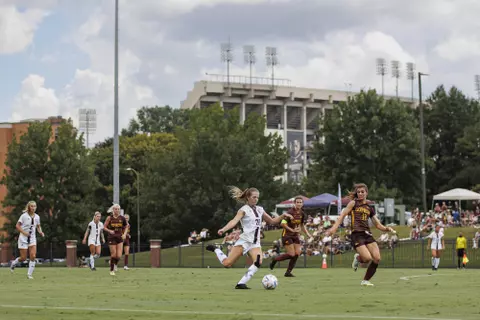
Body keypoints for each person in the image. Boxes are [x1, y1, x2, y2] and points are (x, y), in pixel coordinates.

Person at [206, 186, 293, 289]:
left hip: (255, 243)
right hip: (245, 241)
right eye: (254, 197)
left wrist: (283, 216)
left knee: (258, 262)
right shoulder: (243, 210)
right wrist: (223, 229)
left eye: (257, 197)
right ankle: (216, 249)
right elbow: (234, 221)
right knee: (227, 264)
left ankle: (241, 283)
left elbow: (272, 221)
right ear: (248, 197)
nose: (256, 199)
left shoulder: (260, 209)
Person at [326, 183, 395, 286]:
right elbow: (342, 215)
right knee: (367, 258)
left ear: (366, 193)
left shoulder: (369, 208)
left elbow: (377, 224)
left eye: (362, 192)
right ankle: (358, 258)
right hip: (356, 234)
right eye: (358, 192)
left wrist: (386, 228)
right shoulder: (353, 203)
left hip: (367, 234)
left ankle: (365, 280)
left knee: (377, 258)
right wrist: (334, 228)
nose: (360, 194)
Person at [269, 196, 312, 277]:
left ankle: (288, 272)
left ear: (302, 204)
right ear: (294, 203)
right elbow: (282, 223)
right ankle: (275, 259)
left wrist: (308, 234)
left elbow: (302, 225)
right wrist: (292, 230)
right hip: (287, 235)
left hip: (295, 236)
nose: (299, 204)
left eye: (300, 202)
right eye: (297, 202)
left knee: (297, 253)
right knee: (291, 254)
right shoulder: (290, 212)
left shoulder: (302, 214)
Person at [10, 201, 45, 279]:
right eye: (32, 206)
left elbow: (38, 226)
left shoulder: (37, 217)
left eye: (34, 206)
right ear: (29, 207)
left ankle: (29, 274)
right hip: (23, 238)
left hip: (32, 238)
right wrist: (24, 233)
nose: (33, 208)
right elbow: (17, 226)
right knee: (23, 258)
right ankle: (14, 263)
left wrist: (41, 232)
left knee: (33, 255)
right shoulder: (24, 216)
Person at [103, 204, 128, 276]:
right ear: (113, 210)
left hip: (119, 237)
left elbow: (126, 226)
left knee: (119, 256)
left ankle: (112, 262)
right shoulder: (109, 218)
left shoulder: (122, 218)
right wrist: (109, 231)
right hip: (112, 237)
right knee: (113, 254)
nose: (117, 210)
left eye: (118, 209)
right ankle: (111, 270)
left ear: (119, 210)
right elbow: (104, 227)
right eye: (115, 209)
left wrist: (124, 234)